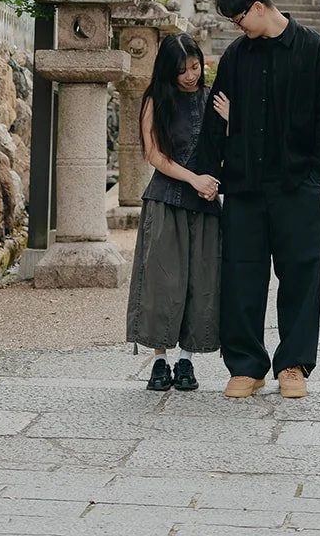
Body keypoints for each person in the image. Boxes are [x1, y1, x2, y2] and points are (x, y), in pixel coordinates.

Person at [196, 0, 320, 401]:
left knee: (300, 275)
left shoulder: (314, 51)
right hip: (244, 185)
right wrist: (211, 173)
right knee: (241, 277)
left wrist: (318, 172)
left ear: (259, 6)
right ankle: (246, 365)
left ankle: (293, 364)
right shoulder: (236, 58)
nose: (235, 27)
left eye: (239, 18)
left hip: (297, 185)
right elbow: (214, 119)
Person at [126, 32, 224, 392]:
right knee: (163, 283)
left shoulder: (212, 99)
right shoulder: (156, 99)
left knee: (201, 282)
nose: (191, 76)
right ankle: (159, 360)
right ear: (169, 70)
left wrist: (232, 119)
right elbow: (154, 155)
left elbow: (230, 147)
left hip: (206, 203)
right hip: (166, 199)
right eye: (182, 70)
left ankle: (187, 359)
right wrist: (193, 179)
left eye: (196, 67)